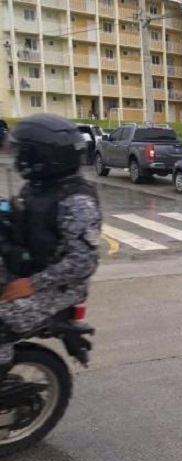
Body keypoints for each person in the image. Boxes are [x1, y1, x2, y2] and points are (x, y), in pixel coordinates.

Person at [0, 113, 102, 381]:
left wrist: (31, 284)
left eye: (24, 152)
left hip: (56, 287)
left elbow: (83, 262)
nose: (18, 157)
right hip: (27, 267)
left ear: (43, 157)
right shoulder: (39, 187)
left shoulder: (76, 200)